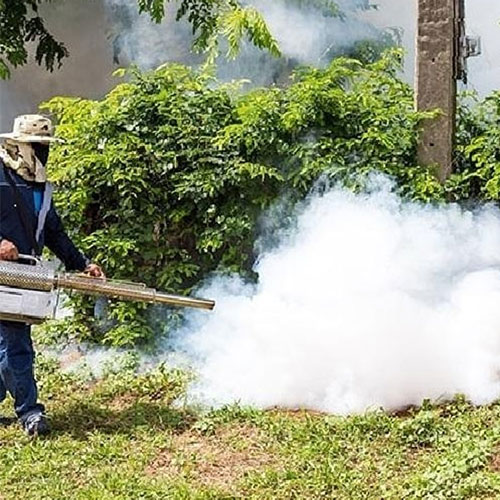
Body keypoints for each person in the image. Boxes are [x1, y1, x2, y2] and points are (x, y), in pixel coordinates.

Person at [0, 114, 104, 436]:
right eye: (37, 147)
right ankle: (31, 413)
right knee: (16, 346)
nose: (43, 154)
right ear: (19, 146)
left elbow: (55, 233)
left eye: (45, 147)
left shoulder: (41, 189)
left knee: (6, 344)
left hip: (23, 277)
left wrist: (82, 264)